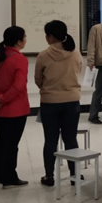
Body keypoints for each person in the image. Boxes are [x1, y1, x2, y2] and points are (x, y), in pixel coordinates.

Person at [35, 20, 83, 187]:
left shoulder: (43, 55)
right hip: (72, 101)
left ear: (50, 36)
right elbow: (78, 72)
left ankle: (49, 176)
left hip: (50, 102)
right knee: (71, 139)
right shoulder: (75, 53)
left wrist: (49, 88)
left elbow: (38, 80)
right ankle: (74, 175)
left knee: (50, 141)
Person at [0, 26, 30, 188]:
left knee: (0, 141)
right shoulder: (20, 59)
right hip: (15, 109)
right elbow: (19, 86)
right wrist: (2, 100)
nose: (26, 39)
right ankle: (9, 177)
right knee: (11, 144)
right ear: (19, 42)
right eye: (25, 37)